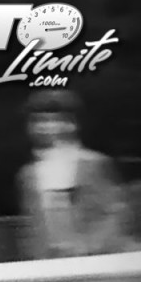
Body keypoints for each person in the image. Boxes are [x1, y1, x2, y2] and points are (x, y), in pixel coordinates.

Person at [18, 90, 127, 259]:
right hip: (49, 264)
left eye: (54, 121)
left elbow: (114, 214)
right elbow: (32, 226)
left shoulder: (94, 164)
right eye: (39, 121)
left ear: (71, 124)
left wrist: (89, 248)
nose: (46, 128)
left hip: (96, 259)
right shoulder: (28, 175)